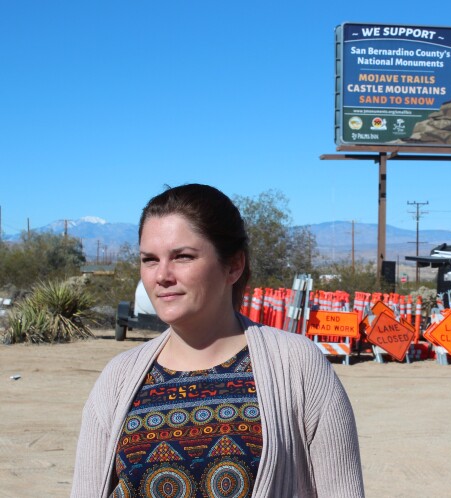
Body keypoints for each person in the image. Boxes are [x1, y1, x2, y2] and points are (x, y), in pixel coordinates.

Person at [71, 184, 364, 498]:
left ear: (234, 266)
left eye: (183, 257)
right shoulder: (118, 379)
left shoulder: (297, 365)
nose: (162, 275)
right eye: (150, 260)